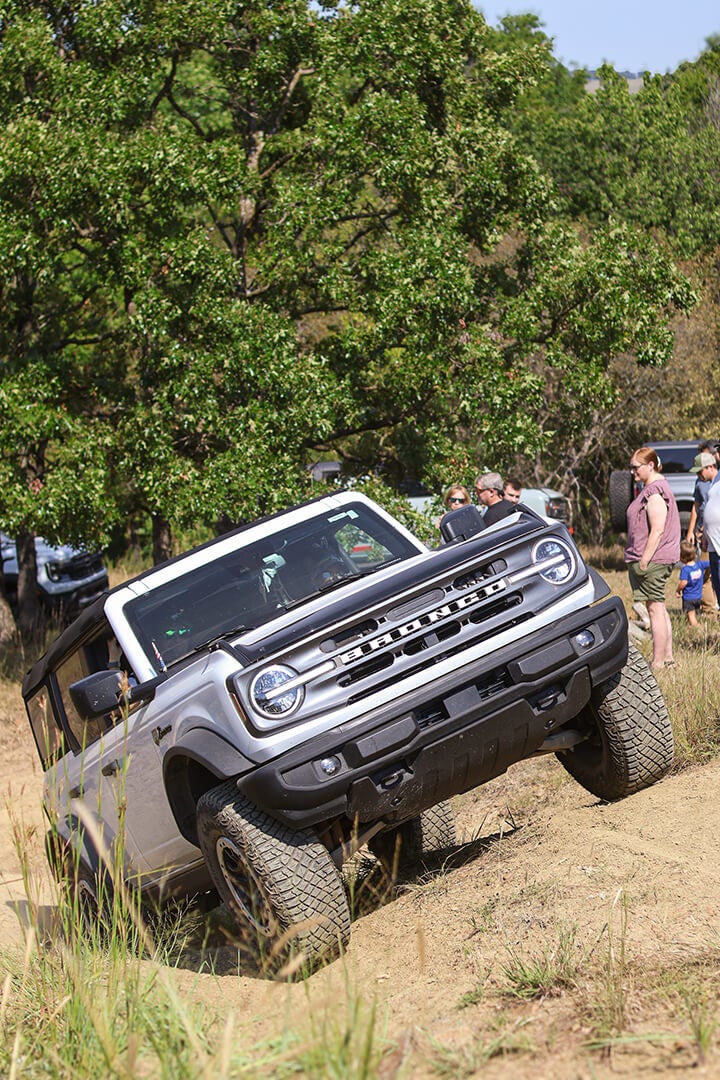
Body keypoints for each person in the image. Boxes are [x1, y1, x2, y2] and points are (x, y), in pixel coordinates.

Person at [624, 447, 681, 669]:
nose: (632, 472)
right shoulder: (652, 489)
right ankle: (668, 658)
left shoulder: (654, 492)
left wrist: (645, 559)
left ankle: (658, 661)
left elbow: (657, 529)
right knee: (659, 607)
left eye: (635, 467)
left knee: (654, 608)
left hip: (654, 559)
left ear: (650, 466)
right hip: (656, 558)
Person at [685, 446, 718, 551]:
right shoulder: (699, 482)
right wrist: (690, 531)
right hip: (703, 533)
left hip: (715, 533)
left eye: (700, 471)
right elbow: (696, 507)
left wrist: (705, 529)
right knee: (706, 565)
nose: (698, 475)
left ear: (711, 467)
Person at [675, 540, 709, 628]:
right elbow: (709, 563)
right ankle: (689, 626)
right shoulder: (700, 565)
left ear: (682, 558)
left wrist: (678, 590)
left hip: (688, 598)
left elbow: (684, 582)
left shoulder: (685, 570)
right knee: (692, 614)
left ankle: (697, 628)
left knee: (691, 615)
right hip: (698, 597)